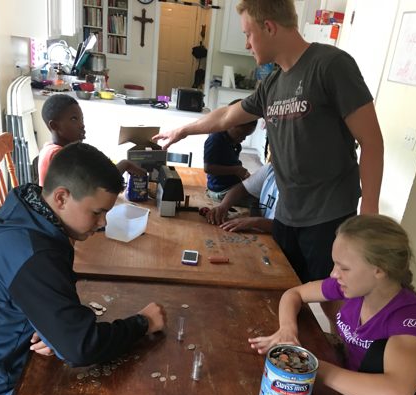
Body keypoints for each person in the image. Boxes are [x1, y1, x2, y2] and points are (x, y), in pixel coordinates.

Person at [153, 0, 384, 318]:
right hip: (289, 213)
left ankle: (341, 347)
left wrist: (369, 213)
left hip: (328, 213)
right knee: (287, 289)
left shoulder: (330, 65)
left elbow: (372, 142)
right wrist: (183, 130)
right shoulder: (272, 83)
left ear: (269, 27)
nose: (247, 44)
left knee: (333, 301)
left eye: (248, 34)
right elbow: (226, 116)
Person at [0, 142, 166, 395]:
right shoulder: (35, 256)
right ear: (61, 197)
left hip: (7, 349)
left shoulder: (25, 210)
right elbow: (81, 347)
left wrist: (48, 327)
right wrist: (143, 322)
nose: (102, 223)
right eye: (97, 212)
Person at [249, 215, 416, 395]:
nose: (334, 273)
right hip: (350, 391)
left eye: (344, 267)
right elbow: (294, 294)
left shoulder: (409, 317)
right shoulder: (352, 287)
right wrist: (287, 329)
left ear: (379, 269)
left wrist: (313, 369)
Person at [38, 94, 143, 185]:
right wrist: (125, 164)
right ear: (55, 126)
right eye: (74, 119)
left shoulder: (57, 149)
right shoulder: (57, 155)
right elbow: (97, 185)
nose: (82, 125)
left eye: (81, 119)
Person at [204, 99, 257, 202]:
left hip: (229, 186)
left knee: (258, 190)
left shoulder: (233, 140)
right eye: (241, 134)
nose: (243, 138)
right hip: (220, 191)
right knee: (258, 201)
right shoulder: (215, 139)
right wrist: (236, 170)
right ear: (229, 124)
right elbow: (208, 168)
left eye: (246, 135)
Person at [205, 161, 278, 232]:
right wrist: (223, 206)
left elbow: (284, 229)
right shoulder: (271, 169)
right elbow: (242, 188)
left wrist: (256, 222)